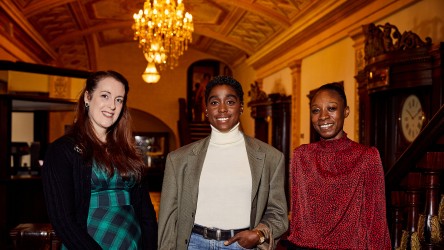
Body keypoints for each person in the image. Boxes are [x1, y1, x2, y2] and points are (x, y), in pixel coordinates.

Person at [158, 75, 288, 250]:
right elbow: (168, 217)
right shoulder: (178, 159)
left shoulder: (271, 157)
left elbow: (279, 214)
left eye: (230, 101)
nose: (222, 109)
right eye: (214, 102)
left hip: (242, 246)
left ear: (241, 107)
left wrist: (259, 234)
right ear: (206, 110)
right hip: (193, 244)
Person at [42, 70, 158, 249]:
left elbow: (146, 214)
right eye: (105, 96)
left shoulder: (127, 151)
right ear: (87, 97)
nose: (112, 105)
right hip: (87, 243)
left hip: (133, 243)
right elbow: (62, 220)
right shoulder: (62, 150)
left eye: (119, 99)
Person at [287, 83, 391, 249]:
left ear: (346, 111)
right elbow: (297, 216)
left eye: (331, 108)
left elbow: (376, 220)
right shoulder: (301, 156)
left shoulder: (367, 157)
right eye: (316, 110)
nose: (323, 116)